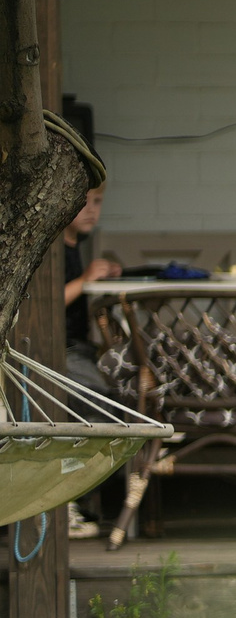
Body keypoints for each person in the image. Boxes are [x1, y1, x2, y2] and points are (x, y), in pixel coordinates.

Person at [60, 186, 120, 540]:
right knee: (97, 399)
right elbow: (44, 304)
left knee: (120, 390)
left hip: (78, 347)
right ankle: (66, 502)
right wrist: (84, 282)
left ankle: (81, 500)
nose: (91, 210)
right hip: (54, 350)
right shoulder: (51, 249)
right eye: (83, 202)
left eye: (97, 202)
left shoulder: (75, 248)